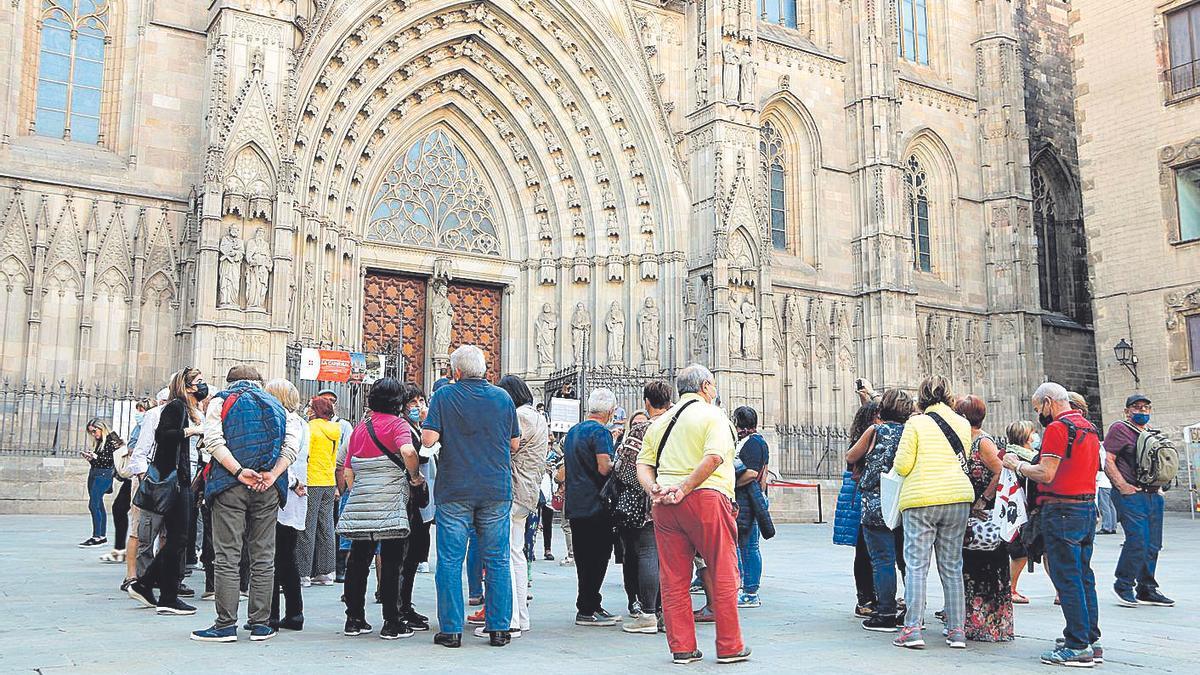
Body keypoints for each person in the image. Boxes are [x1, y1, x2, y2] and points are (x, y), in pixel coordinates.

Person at [637, 364, 750, 665]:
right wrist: (685, 487)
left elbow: (643, 465)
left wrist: (654, 489)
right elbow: (714, 457)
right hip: (706, 499)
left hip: (666, 506)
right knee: (723, 570)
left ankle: (682, 648)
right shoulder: (713, 415)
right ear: (705, 386)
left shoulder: (659, 423)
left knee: (673, 578)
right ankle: (729, 645)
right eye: (712, 385)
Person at [421, 345, 519, 649]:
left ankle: (450, 630)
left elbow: (428, 439)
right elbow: (515, 444)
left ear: (456, 372)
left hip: (455, 488)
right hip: (495, 488)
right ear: (484, 370)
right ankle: (499, 628)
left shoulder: (445, 396)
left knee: (450, 560)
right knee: (498, 559)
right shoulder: (503, 397)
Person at [191, 365, 296, 643]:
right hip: (268, 486)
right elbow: (290, 447)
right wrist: (272, 475)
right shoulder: (278, 405)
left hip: (230, 485)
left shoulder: (222, 400)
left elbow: (213, 441)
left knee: (228, 555)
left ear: (230, 381)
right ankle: (260, 623)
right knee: (263, 555)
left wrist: (238, 471)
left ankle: (225, 624)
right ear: (258, 382)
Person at [1002, 382, 1103, 667]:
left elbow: (1046, 473)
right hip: (1085, 507)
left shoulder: (1059, 429)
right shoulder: (1089, 427)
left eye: (1038, 409)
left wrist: (1016, 465)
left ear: (1048, 402)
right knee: (1083, 575)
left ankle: (1076, 645)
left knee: (1066, 576)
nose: (1039, 415)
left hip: (1060, 509)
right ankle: (1089, 638)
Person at [891, 375, 975, 650]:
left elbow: (902, 465)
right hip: (958, 498)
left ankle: (912, 629)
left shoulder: (915, 423)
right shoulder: (962, 423)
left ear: (922, 397)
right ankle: (956, 631)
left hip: (922, 500)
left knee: (916, 566)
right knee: (952, 567)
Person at [338, 377, 423, 640]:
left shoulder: (360, 428)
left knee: (359, 559)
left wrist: (359, 490)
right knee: (392, 559)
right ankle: (392, 621)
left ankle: (354, 618)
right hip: (391, 501)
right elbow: (408, 451)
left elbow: (348, 470)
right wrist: (415, 476)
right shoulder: (397, 424)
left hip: (363, 501)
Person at [127, 368, 204, 617]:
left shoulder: (188, 409)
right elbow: (164, 435)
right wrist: (190, 432)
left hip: (182, 480)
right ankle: (165, 594)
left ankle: (148, 584)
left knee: (178, 539)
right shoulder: (176, 407)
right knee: (178, 539)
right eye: (198, 382)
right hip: (174, 480)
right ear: (188, 386)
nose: (202, 386)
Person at [845, 389, 912, 632]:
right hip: (905, 502)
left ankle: (885, 614)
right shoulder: (912, 432)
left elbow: (851, 455)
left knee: (883, 560)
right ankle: (913, 614)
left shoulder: (875, 430)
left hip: (876, 502)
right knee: (907, 561)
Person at [1102, 393, 1173, 608]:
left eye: (1146, 408)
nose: (1142, 411)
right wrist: (1122, 486)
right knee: (1138, 540)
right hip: (1131, 494)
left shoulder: (1149, 433)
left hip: (1152, 494)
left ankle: (1146, 588)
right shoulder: (1119, 429)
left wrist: (1159, 487)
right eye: (1137, 408)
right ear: (1127, 411)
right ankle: (1123, 585)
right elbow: (1108, 459)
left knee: (1153, 544)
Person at [953, 395, 1013, 643]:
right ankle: (972, 622)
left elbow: (1001, 471)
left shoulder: (983, 442)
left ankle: (991, 626)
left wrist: (984, 499)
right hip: (969, 515)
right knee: (970, 569)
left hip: (984, 515)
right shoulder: (964, 440)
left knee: (988, 569)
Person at [495, 374, 549, 638]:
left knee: (505, 555)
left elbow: (505, 446)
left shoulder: (521, 416)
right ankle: (521, 617)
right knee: (516, 553)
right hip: (527, 492)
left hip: (514, 490)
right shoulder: (539, 416)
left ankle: (510, 619)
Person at [614, 383, 670, 635]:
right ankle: (669, 612)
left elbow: (625, 471)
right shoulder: (679, 427)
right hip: (679, 497)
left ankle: (648, 612)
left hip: (650, 503)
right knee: (675, 557)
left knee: (648, 553)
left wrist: (647, 483)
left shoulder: (641, 429)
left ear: (647, 402)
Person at [562, 388, 620, 627]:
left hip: (575, 503)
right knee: (598, 556)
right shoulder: (600, 432)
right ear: (610, 411)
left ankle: (591, 603)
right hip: (596, 504)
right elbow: (604, 467)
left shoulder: (573, 431)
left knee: (584, 557)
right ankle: (586, 607)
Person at [265, 379, 308, 631]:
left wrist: (291, 482)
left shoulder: (283, 422)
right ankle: (294, 613)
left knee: (271, 556)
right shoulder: (303, 423)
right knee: (286, 557)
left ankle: (270, 614)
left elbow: (286, 458)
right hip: (295, 496)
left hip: (283, 492)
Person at [398, 383, 435, 630]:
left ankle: (406, 605)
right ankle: (400, 607)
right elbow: (420, 456)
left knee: (414, 556)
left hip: (423, 500)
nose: (418, 406)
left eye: (421, 401)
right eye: (413, 402)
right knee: (406, 557)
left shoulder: (418, 428)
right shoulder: (406, 430)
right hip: (411, 501)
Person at [732, 405, 770, 609]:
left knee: (749, 546)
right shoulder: (748, 441)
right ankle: (745, 587)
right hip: (746, 498)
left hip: (749, 499)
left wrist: (730, 484)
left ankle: (750, 592)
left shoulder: (754, 443)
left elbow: (752, 473)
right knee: (743, 545)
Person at [299, 395, 340, 587]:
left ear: (314, 410)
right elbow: (334, 457)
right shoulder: (335, 429)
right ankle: (326, 571)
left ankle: (303, 572)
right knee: (327, 527)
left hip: (312, 480)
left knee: (307, 527)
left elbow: (305, 455)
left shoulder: (310, 428)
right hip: (328, 480)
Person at [844, 400, 880, 618]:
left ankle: (875, 594)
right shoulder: (865, 440)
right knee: (864, 550)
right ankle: (865, 598)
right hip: (863, 499)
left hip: (873, 499)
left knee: (875, 551)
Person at [1003, 420, 1040, 604]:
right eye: (1032, 433)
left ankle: (1060, 591)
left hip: (1027, 509)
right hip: (1019, 510)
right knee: (1020, 552)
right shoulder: (1015, 457)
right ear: (1024, 437)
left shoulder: (1025, 455)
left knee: (1039, 551)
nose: (1035, 436)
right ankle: (1010, 589)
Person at [80, 419, 121, 548]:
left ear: (101, 428)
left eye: (94, 431)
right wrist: (91, 458)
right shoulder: (100, 441)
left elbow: (112, 459)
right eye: (91, 432)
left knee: (93, 504)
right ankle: (101, 536)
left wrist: (97, 457)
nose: (93, 434)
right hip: (95, 472)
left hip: (104, 474)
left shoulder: (112, 439)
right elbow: (99, 461)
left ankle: (97, 536)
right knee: (99, 504)